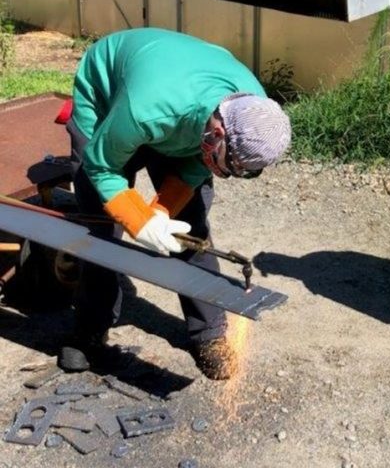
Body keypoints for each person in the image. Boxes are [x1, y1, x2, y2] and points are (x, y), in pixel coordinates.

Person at [59, 27, 291, 380]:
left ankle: (208, 335)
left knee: (191, 229)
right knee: (100, 229)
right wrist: (137, 219)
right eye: (227, 166)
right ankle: (90, 331)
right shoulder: (146, 110)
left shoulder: (255, 108)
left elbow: (194, 167)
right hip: (108, 103)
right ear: (217, 134)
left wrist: (162, 210)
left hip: (176, 113)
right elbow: (101, 165)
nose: (227, 175)